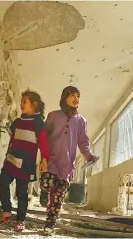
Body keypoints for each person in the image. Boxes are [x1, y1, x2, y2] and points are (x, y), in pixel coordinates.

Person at [39, 86, 98, 235]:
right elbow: (43, 137)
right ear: (64, 97)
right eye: (72, 95)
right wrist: (43, 159)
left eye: (78, 96)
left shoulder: (81, 121)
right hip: (50, 160)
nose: (76, 99)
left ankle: (50, 224)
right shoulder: (53, 116)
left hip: (66, 166)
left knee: (58, 199)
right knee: (46, 183)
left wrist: (89, 155)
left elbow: (83, 143)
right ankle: (44, 191)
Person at [0, 90, 49, 232]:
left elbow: (43, 144)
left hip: (26, 163)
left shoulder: (39, 124)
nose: (21, 104)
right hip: (11, 160)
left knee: (21, 192)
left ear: (34, 104)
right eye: (21, 101)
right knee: (3, 182)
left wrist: (44, 160)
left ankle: (20, 220)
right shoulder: (17, 122)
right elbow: (12, 140)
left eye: (24, 101)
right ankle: (6, 211)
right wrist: (7, 154)